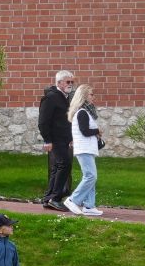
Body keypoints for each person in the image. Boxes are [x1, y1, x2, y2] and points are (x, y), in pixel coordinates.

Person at [63, 83, 104, 216]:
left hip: (86, 148)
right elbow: (85, 131)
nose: (94, 97)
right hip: (84, 149)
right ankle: (73, 200)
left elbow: (84, 131)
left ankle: (89, 206)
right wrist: (97, 130)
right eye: (91, 94)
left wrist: (95, 132)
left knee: (91, 177)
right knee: (90, 176)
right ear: (84, 96)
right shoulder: (82, 112)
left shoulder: (84, 112)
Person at [38, 69, 75, 210]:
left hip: (64, 139)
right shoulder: (51, 97)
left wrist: (70, 138)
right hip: (55, 139)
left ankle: (49, 198)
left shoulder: (64, 97)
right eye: (68, 82)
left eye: (72, 82)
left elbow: (65, 121)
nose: (70, 84)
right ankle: (55, 197)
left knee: (58, 167)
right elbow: (43, 121)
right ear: (59, 83)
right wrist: (47, 140)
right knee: (64, 165)